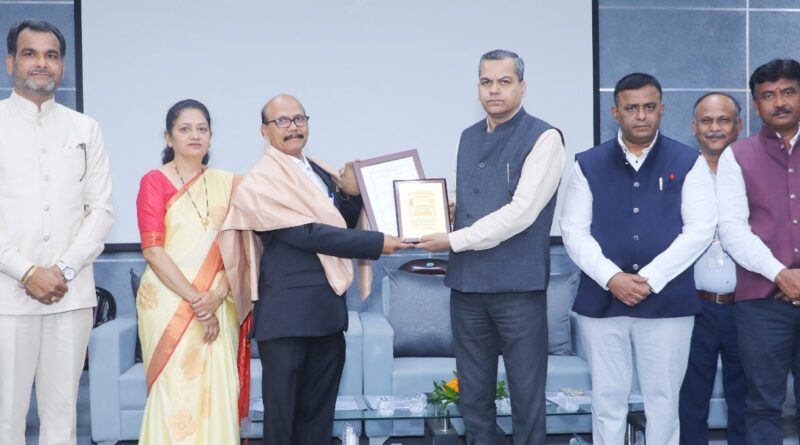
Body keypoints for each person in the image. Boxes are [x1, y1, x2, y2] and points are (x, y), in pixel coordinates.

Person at [220, 94, 410, 445]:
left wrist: (353, 195)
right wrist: (376, 243)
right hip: (287, 318)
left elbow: (338, 223)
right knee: (284, 425)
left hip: (327, 314)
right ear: (264, 131)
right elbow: (307, 234)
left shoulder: (320, 170)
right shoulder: (260, 182)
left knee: (318, 422)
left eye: (299, 119)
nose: (293, 128)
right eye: (282, 121)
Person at [417, 49, 565, 445]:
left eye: (504, 81)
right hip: (467, 286)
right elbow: (470, 200)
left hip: (518, 289)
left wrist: (453, 239)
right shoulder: (466, 137)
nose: (493, 90)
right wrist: (445, 211)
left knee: (526, 397)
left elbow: (521, 213)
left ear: (522, 86)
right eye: (486, 82)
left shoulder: (545, 137)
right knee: (474, 398)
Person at [559, 72, 716, 445]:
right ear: (616, 112)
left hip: (667, 301)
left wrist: (650, 279)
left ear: (662, 109)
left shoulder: (688, 161)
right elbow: (573, 230)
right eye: (632, 108)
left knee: (663, 400)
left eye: (649, 107)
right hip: (602, 300)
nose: (641, 116)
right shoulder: (588, 164)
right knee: (607, 398)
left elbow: (700, 230)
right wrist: (612, 277)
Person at [0, 20, 113, 445]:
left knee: (62, 419)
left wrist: (61, 269)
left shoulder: (86, 129)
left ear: (62, 65)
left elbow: (101, 210)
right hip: (6, 297)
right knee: (6, 419)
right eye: (30, 54)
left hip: (70, 295)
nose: (42, 63)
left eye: (52, 55)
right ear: (12, 62)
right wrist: (27, 271)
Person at [135, 99, 246, 444]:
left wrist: (217, 294)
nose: (194, 135)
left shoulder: (231, 185)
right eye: (185, 129)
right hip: (168, 302)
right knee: (174, 392)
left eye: (202, 129)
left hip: (219, 297)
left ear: (212, 137)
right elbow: (153, 250)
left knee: (218, 390)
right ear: (169, 138)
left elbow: (239, 249)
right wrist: (198, 301)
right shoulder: (154, 182)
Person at [716, 58, 800, 445]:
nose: (778, 102)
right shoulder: (738, 155)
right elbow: (732, 229)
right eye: (767, 96)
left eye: (788, 92)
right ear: (755, 105)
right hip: (762, 302)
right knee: (763, 404)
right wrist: (780, 273)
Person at [678, 92, 746, 445]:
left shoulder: (753, 169)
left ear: (739, 125)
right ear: (694, 127)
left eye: (723, 120)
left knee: (747, 398)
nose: (715, 128)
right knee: (690, 400)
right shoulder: (681, 171)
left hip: (748, 304)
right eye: (707, 121)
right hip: (694, 306)